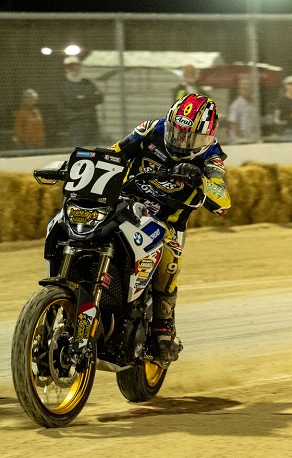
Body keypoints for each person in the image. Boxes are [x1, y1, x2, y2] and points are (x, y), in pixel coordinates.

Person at [110, 93, 231, 362]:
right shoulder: (150, 130)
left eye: (191, 138)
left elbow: (221, 195)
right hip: (126, 204)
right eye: (178, 132)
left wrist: (209, 188)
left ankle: (163, 327)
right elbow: (113, 153)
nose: (182, 141)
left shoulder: (212, 157)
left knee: (168, 256)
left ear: (208, 137)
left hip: (167, 222)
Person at [60, 55, 104, 147]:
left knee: (95, 152)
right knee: (79, 153)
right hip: (76, 124)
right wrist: (89, 98)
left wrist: (82, 98)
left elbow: (99, 98)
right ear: (66, 68)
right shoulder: (65, 85)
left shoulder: (88, 83)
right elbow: (71, 102)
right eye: (70, 66)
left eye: (75, 65)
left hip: (92, 122)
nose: (73, 68)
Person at [226, 76, 259, 144]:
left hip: (250, 139)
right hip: (238, 141)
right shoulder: (236, 105)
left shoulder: (252, 105)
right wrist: (241, 138)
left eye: (248, 89)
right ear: (239, 90)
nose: (247, 91)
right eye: (244, 89)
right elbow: (233, 123)